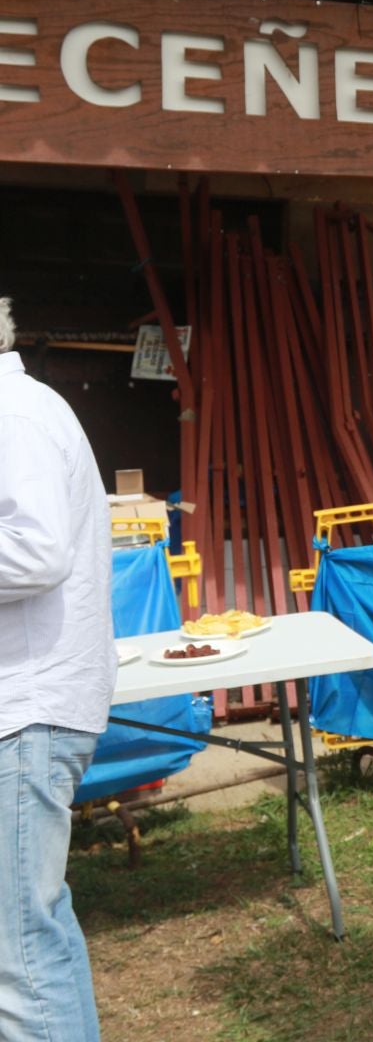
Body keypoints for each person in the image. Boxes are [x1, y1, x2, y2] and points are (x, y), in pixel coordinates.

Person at [0, 296, 111, 1042]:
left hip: (25, 711)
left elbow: (37, 553)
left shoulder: (14, 416)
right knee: (23, 940)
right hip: (28, 708)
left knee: (20, 951)